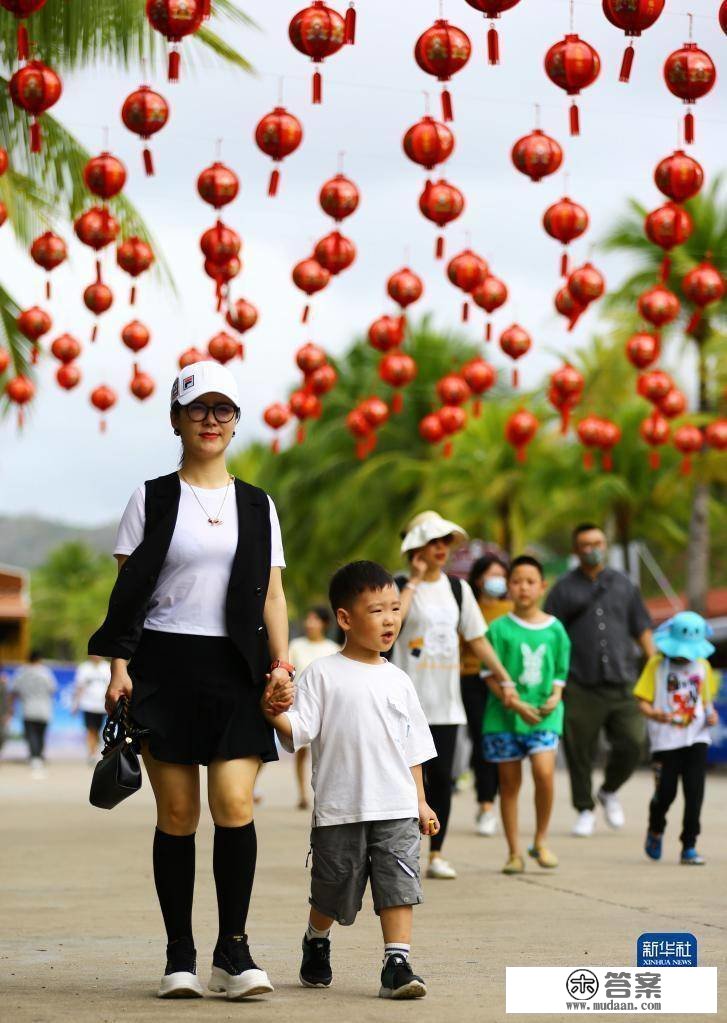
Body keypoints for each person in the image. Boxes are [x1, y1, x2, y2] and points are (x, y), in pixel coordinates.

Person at [89, 361, 295, 1001]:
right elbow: (129, 594)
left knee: (233, 805)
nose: (211, 419)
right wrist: (120, 669)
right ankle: (180, 952)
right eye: (198, 408)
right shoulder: (150, 497)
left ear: (235, 422)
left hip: (238, 669)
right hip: (165, 668)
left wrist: (282, 667)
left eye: (223, 409)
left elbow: (275, 595)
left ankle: (232, 951)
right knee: (177, 813)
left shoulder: (258, 504)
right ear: (177, 419)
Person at [262, 561, 439, 1000]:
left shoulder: (399, 680)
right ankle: (316, 939)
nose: (390, 619)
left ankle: (396, 963)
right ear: (345, 618)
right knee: (333, 891)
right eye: (376, 610)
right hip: (341, 808)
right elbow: (300, 730)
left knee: (399, 884)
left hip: (396, 805)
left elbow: (413, 748)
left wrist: (420, 801)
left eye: (395, 609)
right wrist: (274, 715)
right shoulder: (322, 674)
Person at [393, 511, 512, 880]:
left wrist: (505, 678)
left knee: (441, 779)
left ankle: (436, 854)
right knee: (403, 781)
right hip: (404, 703)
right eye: (434, 541)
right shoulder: (396, 585)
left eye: (446, 542)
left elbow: (477, 638)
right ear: (417, 547)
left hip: (445, 704)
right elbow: (392, 625)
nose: (442, 548)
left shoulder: (458, 589)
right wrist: (412, 581)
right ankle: (400, 855)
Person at [544, 523, 655, 837]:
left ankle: (609, 790)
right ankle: (584, 809)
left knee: (633, 742)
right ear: (576, 550)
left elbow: (642, 627)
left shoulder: (624, 584)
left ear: (605, 545)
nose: (592, 548)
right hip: (580, 682)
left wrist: (655, 667)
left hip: (623, 681)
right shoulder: (563, 589)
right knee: (580, 751)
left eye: (597, 542)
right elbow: (549, 635)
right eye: (585, 543)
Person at [483, 556, 571, 874]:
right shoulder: (497, 629)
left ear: (542, 586)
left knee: (544, 772)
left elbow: (560, 672)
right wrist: (513, 702)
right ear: (508, 586)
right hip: (503, 717)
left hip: (545, 714)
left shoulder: (555, 629)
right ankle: (513, 852)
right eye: (517, 581)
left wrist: (556, 695)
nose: (524, 587)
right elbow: (489, 675)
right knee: (508, 785)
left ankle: (541, 840)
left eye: (530, 581)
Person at [635, 612, 719, 866]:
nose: (684, 656)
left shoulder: (702, 665)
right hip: (665, 741)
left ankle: (689, 845)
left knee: (695, 794)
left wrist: (711, 714)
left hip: (696, 737)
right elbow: (642, 701)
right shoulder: (657, 665)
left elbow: (706, 701)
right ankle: (656, 828)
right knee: (666, 792)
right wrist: (655, 714)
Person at [461, 553, 512, 836]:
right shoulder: (469, 607)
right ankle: (486, 805)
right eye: (491, 575)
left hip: (505, 683)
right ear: (478, 579)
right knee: (483, 743)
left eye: (501, 575)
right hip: (473, 682)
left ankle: (505, 802)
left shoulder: (513, 609)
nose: (497, 581)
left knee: (505, 744)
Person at [288, 606, 339, 810]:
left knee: (326, 751)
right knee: (300, 751)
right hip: (299, 705)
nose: (310, 623)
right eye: (308, 619)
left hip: (326, 707)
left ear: (325, 623)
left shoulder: (333, 648)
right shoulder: (296, 645)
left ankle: (325, 792)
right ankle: (302, 794)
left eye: (315, 619)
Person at [10, 650, 57, 776]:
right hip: (44, 708)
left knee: (31, 734)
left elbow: (14, 690)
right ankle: (38, 755)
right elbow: (53, 689)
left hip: (27, 708)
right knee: (40, 733)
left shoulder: (21, 672)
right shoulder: (46, 672)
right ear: (40, 659)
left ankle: (34, 756)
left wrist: (12, 706)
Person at [72, 654, 111, 763]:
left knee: (99, 730)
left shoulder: (108, 668)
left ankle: (96, 750)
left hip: (102, 706)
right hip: (87, 705)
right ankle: (92, 754)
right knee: (90, 729)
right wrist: (75, 704)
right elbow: (79, 687)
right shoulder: (84, 668)